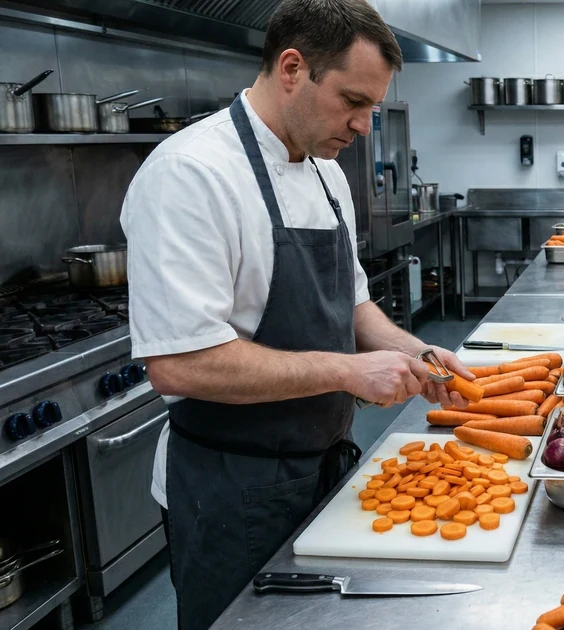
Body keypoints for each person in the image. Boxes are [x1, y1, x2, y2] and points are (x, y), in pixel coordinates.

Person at [119, 1, 471, 627]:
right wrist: (347, 372)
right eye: (352, 101)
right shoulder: (191, 174)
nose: (364, 126)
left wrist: (413, 351)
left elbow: (354, 305)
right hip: (230, 489)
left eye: (372, 107)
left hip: (326, 467)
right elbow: (179, 365)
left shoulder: (326, 173)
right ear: (291, 68)